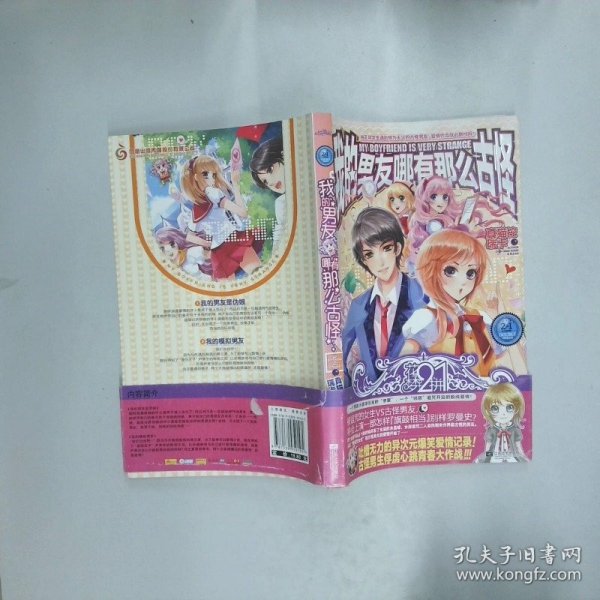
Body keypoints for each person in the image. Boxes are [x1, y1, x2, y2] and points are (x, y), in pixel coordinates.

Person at [342, 207, 426, 385]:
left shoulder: (422, 295)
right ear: (363, 260)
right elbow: (343, 361)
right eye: (370, 254)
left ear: (397, 248)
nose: (380, 262)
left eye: (386, 248)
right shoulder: (358, 306)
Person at [401, 229, 500, 377]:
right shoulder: (426, 318)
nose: (463, 281)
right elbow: (403, 364)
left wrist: (494, 314)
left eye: (471, 273)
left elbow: (498, 353)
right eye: (450, 270)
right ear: (429, 271)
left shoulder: (479, 317)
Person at [179, 155, 261, 280]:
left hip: (217, 251)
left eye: (214, 174)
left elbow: (189, 236)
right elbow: (243, 213)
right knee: (257, 276)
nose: (212, 178)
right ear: (196, 177)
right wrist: (236, 185)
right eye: (206, 174)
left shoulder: (196, 209)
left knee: (231, 289)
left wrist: (208, 243)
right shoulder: (213, 193)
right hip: (233, 240)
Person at [477, 383, 528, 463]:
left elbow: (518, 447)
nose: (503, 413)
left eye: (509, 407)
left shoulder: (515, 429)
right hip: (494, 457)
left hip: (512, 457)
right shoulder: (492, 430)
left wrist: (523, 458)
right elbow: (488, 447)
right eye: (495, 408)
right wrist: (486, 458)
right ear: (487, 411)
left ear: (517, 409)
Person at [250, 137, 286, 248]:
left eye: (270, 169)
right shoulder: (282, 203)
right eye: (265, 181)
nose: (270, 182)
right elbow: (280, 236)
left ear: (284, 155)